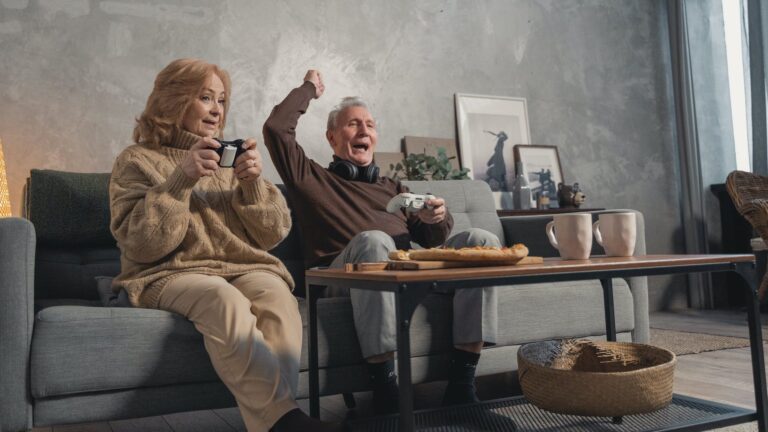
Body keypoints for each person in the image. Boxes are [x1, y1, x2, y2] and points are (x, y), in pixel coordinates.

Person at [109, 59, 346, 432]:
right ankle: (286, 423)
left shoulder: (227, 159)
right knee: (221, 298)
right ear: (174, 100)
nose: (218, 109)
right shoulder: (136, 160)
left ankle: (279, 423)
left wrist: (252, 185)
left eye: (221, 99)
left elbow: (273, 234)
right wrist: (180, 180)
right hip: (168, 273)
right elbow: (142, 244)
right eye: (205, 97)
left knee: (277, 296)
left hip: (241, 267)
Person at [263, 70, 499, 414]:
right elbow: (275, 130)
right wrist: (309, 89)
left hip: (404, 271)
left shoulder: (394, 188)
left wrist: (437, 218)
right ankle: (387, 393)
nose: (364, 131)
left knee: (483, 241)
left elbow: (432, 238)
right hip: (339, 277)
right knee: (374, 241)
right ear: (331, 137)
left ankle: (462, 388)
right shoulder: (309, 177)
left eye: (370, 125)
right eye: (353, 124)